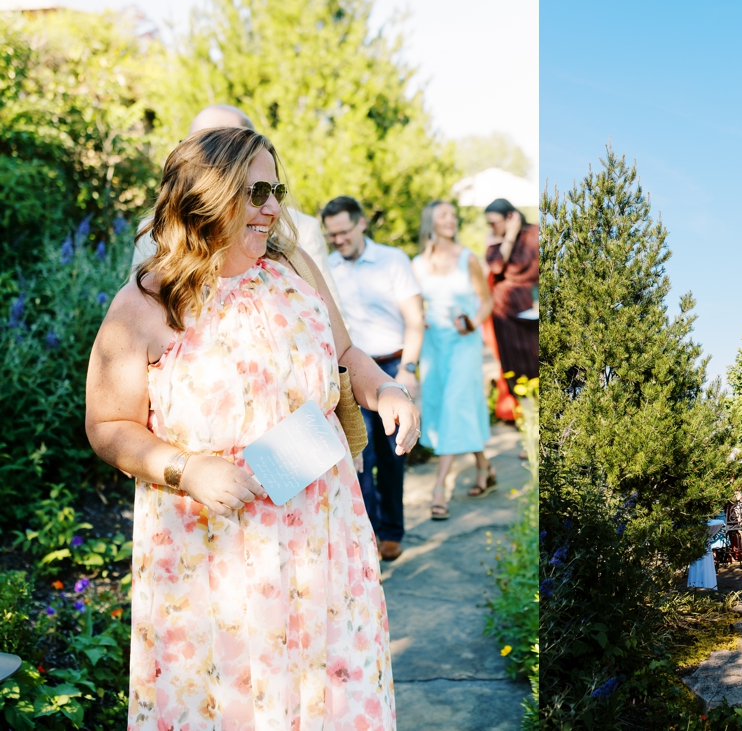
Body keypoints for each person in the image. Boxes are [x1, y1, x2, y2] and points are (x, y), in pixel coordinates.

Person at [85, 128, 418, 729]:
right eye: (254, 190)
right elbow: (108, 425)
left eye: (275, 189)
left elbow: (347, 353)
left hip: (322, 535)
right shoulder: (146, 305)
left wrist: (387, 389)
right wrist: (187, 469)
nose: (272, 207)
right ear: (205, 197)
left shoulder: (294, 269)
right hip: (212, 553)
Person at [130, 104, 344, 310]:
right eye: (200, 145)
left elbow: (333, 329)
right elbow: (140, 310)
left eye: (227, 144)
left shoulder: (301, 232)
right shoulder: (154, 230)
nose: (213, 157)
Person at [322, 196, 424, 562]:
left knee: (392, 457)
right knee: (357, 457)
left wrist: (407, 373)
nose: (338, 240)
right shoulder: (326, 267)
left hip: (392, 366)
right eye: (331, 234)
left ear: (361, 223)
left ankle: (393, 532)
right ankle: (369, 534)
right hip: (349, 375)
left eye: (344, 231)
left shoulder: (393, 261)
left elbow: (415, 320)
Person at [412, 200, 496, 519]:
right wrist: (420, 316)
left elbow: (486, 302)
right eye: (443, 215)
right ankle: (484, 468)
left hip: (464, 342)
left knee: (454, 403)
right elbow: (412, 305)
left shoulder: (467, 258)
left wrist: (473, 322)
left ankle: (439, 490)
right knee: (445, 403)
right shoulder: (417, 264)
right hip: (434, 344)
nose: (451, 220)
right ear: (430, 221)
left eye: (453, 215)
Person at [484, 198, 539, 381]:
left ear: (510, 216)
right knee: (514, 365)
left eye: (493, 223)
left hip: (530, 306)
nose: (491, 227)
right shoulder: (495, 240)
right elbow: (497, 267)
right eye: (488, 223)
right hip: (505, 312)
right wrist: (507, 238)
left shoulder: (534, 233)